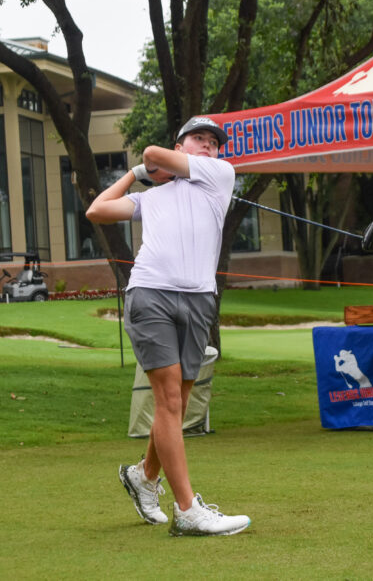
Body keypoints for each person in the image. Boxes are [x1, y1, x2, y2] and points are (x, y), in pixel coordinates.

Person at [86, 116, 250, 537]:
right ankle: (187, 510)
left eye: (214, 142)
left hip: (198, 299)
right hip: (150, 294)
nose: (209, 146)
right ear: (182, 143)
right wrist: (136, 175)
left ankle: (143, 476)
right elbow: (98, 210)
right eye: (199, 139)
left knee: (178, 402)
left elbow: (157, 156)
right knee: (170, 401)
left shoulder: (220, 175)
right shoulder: (154, 197)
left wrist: (158, 164)